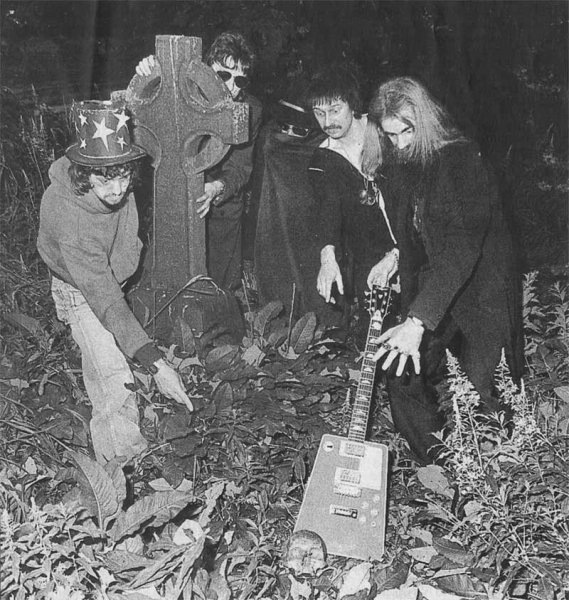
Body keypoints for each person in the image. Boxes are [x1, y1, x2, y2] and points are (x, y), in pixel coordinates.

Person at [363, 77, 523, 464]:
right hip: (436, 289)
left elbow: (462, 246)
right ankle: (441, 466)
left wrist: (417, 322)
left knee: (487, 394)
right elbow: (420, 229)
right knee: (400, 370)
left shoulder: (461, 159)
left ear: (425, 120)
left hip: (480, 292)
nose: (400, 143)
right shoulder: (405, 163)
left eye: (407, 131)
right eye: (391, 135)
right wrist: (395, 257)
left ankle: (496, 478)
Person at [37, 100, 193, 465]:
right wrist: (157, 364)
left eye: (124, 177)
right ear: (83, 172)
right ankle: (120, 466)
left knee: (113, 348)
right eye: (106, 180)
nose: (118, 190)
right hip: (78, 288)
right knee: (112, 374)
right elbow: (104, 298)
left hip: (106, 276)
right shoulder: (68, 217)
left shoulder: (113, 176)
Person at [136, 31, 263, 291]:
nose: (231, 86)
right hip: (176, 201)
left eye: (240, 80)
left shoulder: (248, 111)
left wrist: (217, 188)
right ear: (206, 69)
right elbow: (147, 102)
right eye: (223, 75)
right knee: (161, 283)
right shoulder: (180, 93)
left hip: (220, 207)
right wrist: (149, 72)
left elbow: (241, 167)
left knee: (216, 292)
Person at [305, 64, 397, 332]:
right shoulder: (323, 159)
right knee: (375, 335)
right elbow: (327, 211)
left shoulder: (385, 132)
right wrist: (327, 258)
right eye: (319, 113)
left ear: (352, 104)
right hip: (372, 257)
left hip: (416, 247)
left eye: (335, 110)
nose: (327, 121)